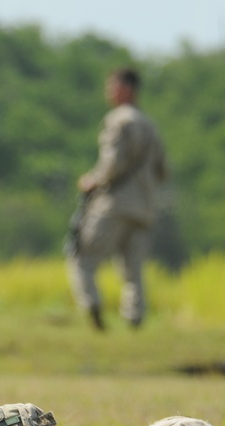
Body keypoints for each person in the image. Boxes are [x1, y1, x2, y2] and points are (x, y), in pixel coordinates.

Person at [68, 67, 168, 331]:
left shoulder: (118, 120)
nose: (108, 92)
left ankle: (93, 310)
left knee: (83, 259)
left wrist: (93, 181)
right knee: (133, 271)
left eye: (112, 86)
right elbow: (162, 170)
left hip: (113, 205)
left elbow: (111, 164)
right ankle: (134, 319)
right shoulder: (150, 125)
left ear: (126, 88)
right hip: (144, 207)